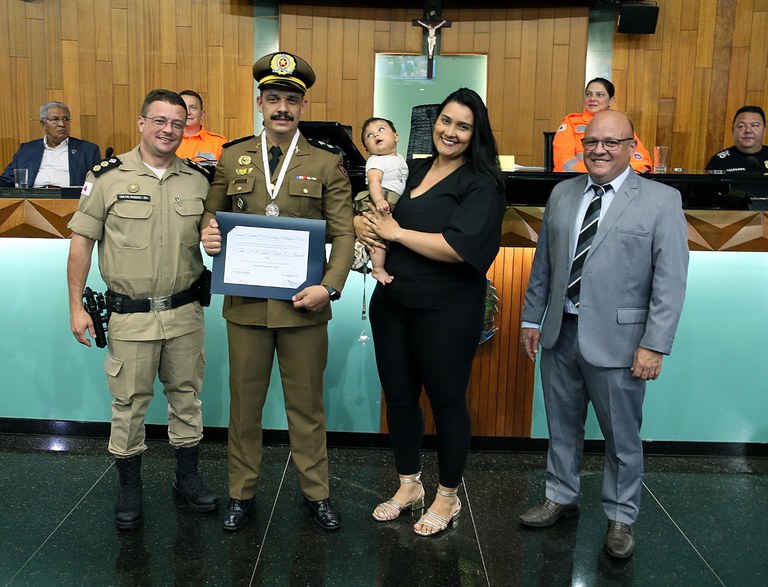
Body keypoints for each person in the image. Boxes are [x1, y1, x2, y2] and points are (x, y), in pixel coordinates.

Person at [519, 110, 689, 559]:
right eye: (592, 142)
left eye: (611, 143)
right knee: (562, 426)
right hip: (560, 333)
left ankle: (620, 517)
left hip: (622, 344)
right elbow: (544, 264)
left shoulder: (661, 200)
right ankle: (560, 496)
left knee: (622, 437)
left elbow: (670, 281)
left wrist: (654, 344)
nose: (599, 150)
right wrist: (532, 318)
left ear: (631, 146)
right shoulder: (562, 193)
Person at [200, 51, 355, 533]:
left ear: (302, 106)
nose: (282, 108)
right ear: (260, 104)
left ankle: (317, 494)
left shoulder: (327, 162)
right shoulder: (233, 156)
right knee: (244, 409)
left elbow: (344, 233)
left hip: (304, 308)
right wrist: (208, 233)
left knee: (306, 408)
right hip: (246, 308)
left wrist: (329, 287)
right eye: (273, 99)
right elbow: (212, 212)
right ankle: (240, 493)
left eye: (291, 99)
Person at [357, 88, 506, 536]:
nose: (451, 132)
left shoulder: (482, 182)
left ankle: (447, 495)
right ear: (433, 122)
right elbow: (380, 212)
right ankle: (409, 485)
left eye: (463, 126)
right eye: (445, 121)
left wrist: (396, 233)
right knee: (400, 399)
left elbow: (461, 248)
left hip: (447, 311)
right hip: (393, 305)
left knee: (447, 404)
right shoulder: (415, 169)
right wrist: (366, 225)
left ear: (476, 133)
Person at [66, 89, 218, 530]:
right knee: (129, 404)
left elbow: (213, 234)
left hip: (185, 312)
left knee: (187, 397)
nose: (168, 130)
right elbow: (81, 242)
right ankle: (129, 486)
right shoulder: (107, 177)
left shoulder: (198, 179)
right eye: (160, 121)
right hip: (130, 315)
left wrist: (216, 240)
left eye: (177, 122)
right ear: (141, 123)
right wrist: (75, 306)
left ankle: (186, 477)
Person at [553, 78, 651, 174]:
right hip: (579, 180)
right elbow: (564, 161)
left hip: (618, 182)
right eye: (588, 94)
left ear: (611, 100)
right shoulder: (571, 122)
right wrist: (598, 173)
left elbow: (640, 160)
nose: (592, 99)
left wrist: (614, 176)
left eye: (599, 95)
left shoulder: (620, 123)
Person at [354, 117, 409, 284]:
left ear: (396, 136)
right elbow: (374, 182)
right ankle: (378, 269)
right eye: (369, 135)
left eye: (381, 129)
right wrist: (378, 200)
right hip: (380, 199)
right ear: (367, 149)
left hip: (392, 200)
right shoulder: (376, 161)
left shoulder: (399, 158)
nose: (376, 135)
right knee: (377, 234)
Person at [0, 101, 101, 187]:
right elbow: (7, 180)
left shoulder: (87, 150)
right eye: (55, 119)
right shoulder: (26, 150)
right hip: (31, 199)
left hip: (70, 200)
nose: (62, 124)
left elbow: (99, 183)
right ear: (43, 124)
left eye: (66, 119)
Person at [706, 105, 768, 174]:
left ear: (764, 130)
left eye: (754, 125)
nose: (748, 130)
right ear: (733, 131)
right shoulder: (718, 161)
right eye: (741, 126)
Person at [175, 90, 228, 163]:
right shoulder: (166, 140)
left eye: (193, 108)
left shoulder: (219, 143)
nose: (188, 112)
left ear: (202, 115)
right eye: (184, 107)